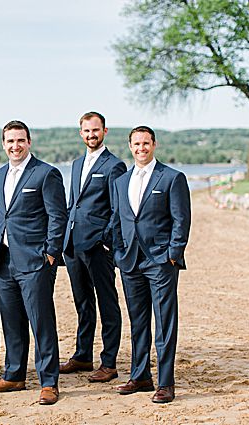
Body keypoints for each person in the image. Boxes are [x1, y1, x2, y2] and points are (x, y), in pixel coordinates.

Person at [0, 120, 68, 405]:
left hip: (35, 261)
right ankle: (15, 375)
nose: (15, 146)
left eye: (20, 140)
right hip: (3, 261)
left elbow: (58, 216)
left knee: (41, 321)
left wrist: (51, 253)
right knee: (12, 322)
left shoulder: (45, 173)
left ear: (29, 142)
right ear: (3, 144)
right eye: (10, 141)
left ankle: (49, 381)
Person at [109, 126, 190, 404]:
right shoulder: (120, 181)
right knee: (138, 321)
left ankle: (166, 383)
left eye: (146, 143)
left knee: (165, 323)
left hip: (160, 261)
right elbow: (117, 219)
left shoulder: (171, 177)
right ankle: (140, 375)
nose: (141, 148)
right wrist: (118, 251)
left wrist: (172, 253)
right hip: (129, 261)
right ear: (130, 146)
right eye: (136, 144)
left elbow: (181, 220)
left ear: (154, 144)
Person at [61, 112, 128, 383]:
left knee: (107, 302)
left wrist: (104, 240)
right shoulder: (77, 164)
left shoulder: (115, 166)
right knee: (83, 302)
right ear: (81, 133)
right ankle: (82, 355)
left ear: (105, 131)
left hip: (98, 247)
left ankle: (109, 362)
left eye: (96, 130)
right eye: (87, 131)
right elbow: (72, 203)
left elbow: (117, 210)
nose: (91, 135)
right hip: (74, 245)